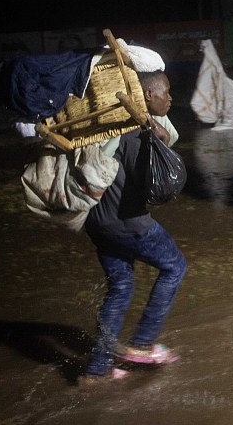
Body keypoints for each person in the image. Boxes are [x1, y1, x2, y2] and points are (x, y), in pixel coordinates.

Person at [78, 70, 188, 385]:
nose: (169, 98)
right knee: (175, 267)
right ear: (148, 96)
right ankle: (142, 344)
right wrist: (159, 143)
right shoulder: (136, 133)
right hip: (128, 222)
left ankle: (96, 371)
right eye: (165, 92)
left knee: (121, 287)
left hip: (97, 223)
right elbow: (154, 186)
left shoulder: (106, 128)